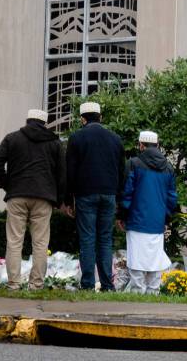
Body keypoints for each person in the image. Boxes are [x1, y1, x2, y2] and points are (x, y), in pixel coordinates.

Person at [0, 109, 66, 290]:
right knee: (40, 243)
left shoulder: (12, 138)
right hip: (44, 197)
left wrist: (6, 184)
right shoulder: (55, 143)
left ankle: (14, 284)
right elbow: (62, 173)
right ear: (45, 123)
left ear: (27, 120)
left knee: (15, 241)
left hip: (17, 195)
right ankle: (36, 284)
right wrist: (58, 199)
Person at [64, 102, 125, 291]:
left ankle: (88, 284)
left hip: (85, 194)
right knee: (105, 239)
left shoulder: (76, 138)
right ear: (101, 117)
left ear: (82, 119)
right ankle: (108, 284)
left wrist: (68, 200)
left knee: (88, 239)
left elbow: (70, 172)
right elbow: (122, 172)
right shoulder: (115, 139)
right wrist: (119, 201)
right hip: (109, 195)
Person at [122, 131, 177, 294]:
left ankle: (137, 290)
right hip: (157, 221)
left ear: (141, 145)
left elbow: (127, 193)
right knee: (155, 257)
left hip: (136, 219)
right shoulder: (168, 167)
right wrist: (166, 218)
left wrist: (122, 215)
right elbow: (172, 197)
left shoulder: (134, 163)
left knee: (136, 257)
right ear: (157, 145)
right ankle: (153, 290)